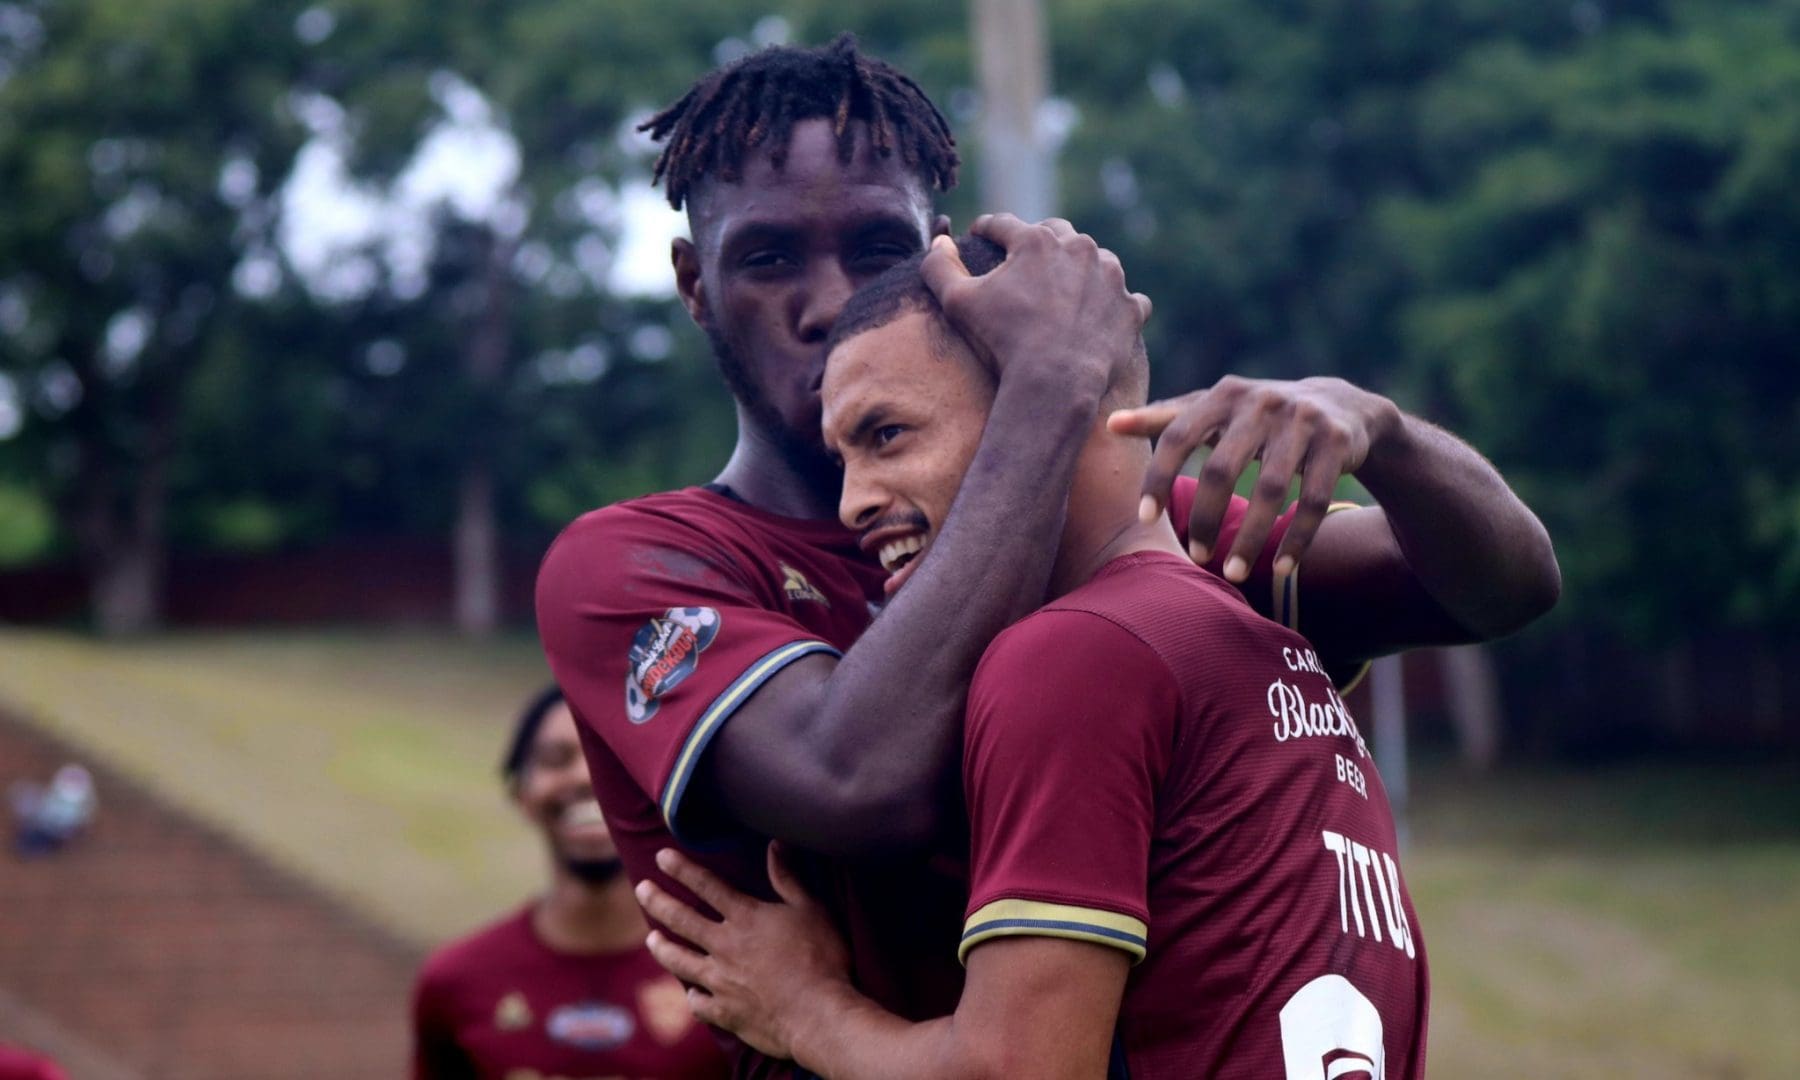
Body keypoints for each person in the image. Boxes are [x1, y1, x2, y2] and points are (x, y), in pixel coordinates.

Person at [535, 34, 1555, 1075]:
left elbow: (1500, 587)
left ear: (940, 263)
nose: (829, 300)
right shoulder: (643, 563)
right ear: (694, 283)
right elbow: (858, 782)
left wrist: (1377, 426)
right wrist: (1053, 387)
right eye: (767, 257)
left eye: (879, 252)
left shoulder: (1119, 550)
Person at [637, 234, 1430, 1078]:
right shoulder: (1269, 652)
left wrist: (807, 1010)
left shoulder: (1074, 655)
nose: (853, 503)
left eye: (888, 435)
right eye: (843, 460)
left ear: (1048, 409)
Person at [411, 687, 728, 1080]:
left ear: (654, 787)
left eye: (609, 757)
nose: (583, 776)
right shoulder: (454, 982)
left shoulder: (726, 969)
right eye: (555, 759)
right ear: (521, 795)